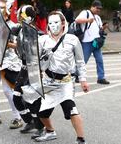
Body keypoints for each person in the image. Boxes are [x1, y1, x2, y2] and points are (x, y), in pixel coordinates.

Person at [34, 11, 89, 144]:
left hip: (65, 82)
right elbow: (33, 60)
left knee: (72, 109)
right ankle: (50, 131)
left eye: (56, 22)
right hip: (48, 81)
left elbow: (80, 61)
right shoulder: (42, 40)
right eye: (50, 23)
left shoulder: (72, 40)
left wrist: (83, 80)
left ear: (63, 23)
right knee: (42, 113)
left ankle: (81, 139)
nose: (53, 25)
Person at [0, 0, 23, 129]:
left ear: (6, 10)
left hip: (8, 61)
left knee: (8, 91)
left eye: (1, 8)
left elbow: (17, 45)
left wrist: (6, 44)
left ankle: (17, 117)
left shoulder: (13, 25)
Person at [11, 4, 45, 136]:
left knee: (33, 99)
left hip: (33, 69)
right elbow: (6, 31)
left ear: (29, 18)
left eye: (22, 15)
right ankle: (29, 121)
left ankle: (40, 125)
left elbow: (38, 54)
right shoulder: (19, 29)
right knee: (16, 97)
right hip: (24, 67)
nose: (19, 17)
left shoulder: (36, 33)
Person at [76, 0, 110, 85]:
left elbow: (99, 29)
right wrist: (88, 20)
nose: (98, 10)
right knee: (83, 61)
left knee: (100, 60)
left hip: (96, 42)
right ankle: (77, 75)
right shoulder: (86, 13)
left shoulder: (98, 17)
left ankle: (101, 77)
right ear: (93, 6)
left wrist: (103, 27)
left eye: (100, 9)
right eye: (97, 8)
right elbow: (77, 20)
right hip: (87, 41)